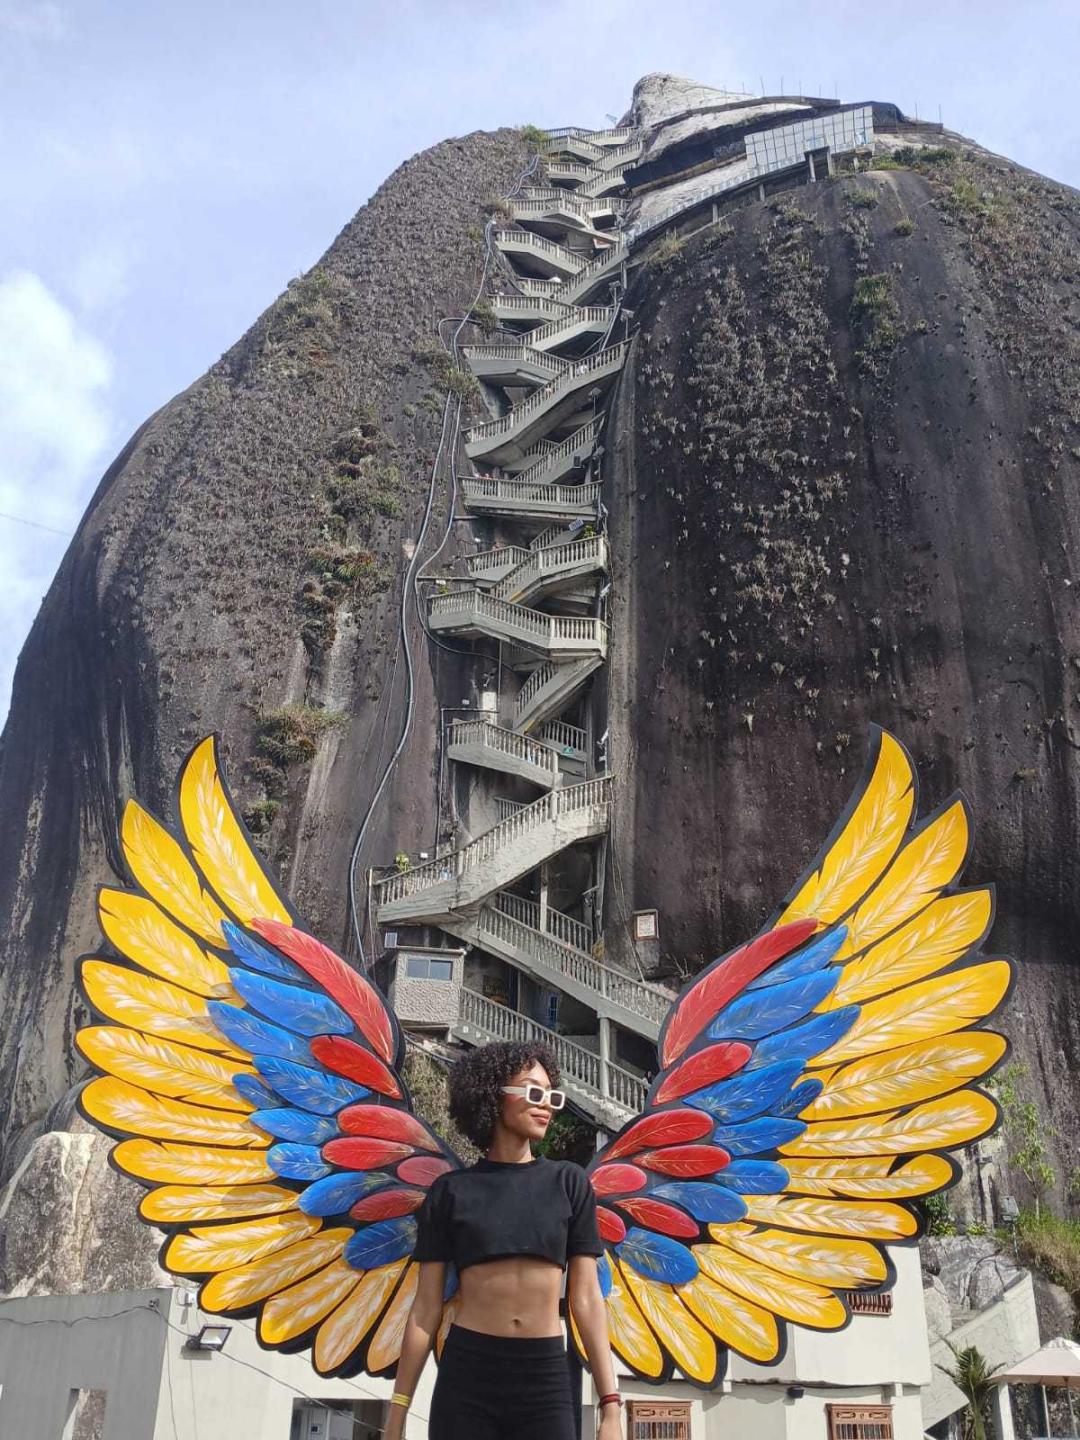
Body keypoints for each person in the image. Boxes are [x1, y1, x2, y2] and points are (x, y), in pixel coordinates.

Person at [385, 1041, 624, 1440]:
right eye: (533, 1092)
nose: (546, 1105)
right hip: (467, 1376)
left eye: (551, 1095)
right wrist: (398, 1412)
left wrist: (610, 1406)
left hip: (545, 1377)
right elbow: (425, 1308)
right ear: (492, 1096)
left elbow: (585, 1300)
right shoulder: (451, 1191)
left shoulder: (569, 1183)